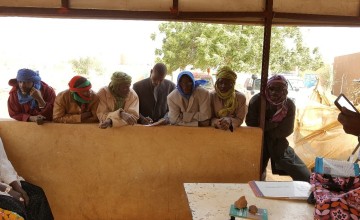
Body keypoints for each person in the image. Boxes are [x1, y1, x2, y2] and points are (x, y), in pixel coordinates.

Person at [246, 74, 310, 182]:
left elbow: (287, 130)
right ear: (267, 88)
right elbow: (251, 123)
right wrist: (274, 124)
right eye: (271, 88)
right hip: (258, 142)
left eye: (279, 89)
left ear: (285, 91)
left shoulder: (289, 105)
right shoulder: (257, 100)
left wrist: (265, 126)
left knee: (304, 175)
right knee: (255, 173)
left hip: (278, 143)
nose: (275, 92)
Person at [0, 137, 53, 220]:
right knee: (15, 207)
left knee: (37, 194)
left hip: (2, 182)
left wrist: (17, 188)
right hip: (2, 188)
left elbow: (3, 163)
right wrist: (8, 190)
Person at [211, 66, 247, 131]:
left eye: (226, 83)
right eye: (220, 82)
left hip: (233, 133)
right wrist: (217, 122)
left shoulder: (240, 98)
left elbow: (239, 119)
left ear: (232, 84)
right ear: (217, 83)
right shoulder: (211, 96)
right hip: (214, 132)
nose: (223, 86)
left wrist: (229, 121)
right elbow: (209, 118)